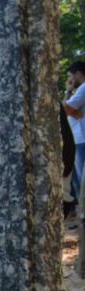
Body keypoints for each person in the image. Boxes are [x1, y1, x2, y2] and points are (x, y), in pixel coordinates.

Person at [64, 61, 85, 203]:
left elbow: (64, 109)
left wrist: (68, 91)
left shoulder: (83, 88)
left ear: (78, 74)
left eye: (70, 76)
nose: (70, 80)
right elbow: (68, 110)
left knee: (80, 179)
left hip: (81, 139)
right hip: (78, 138)